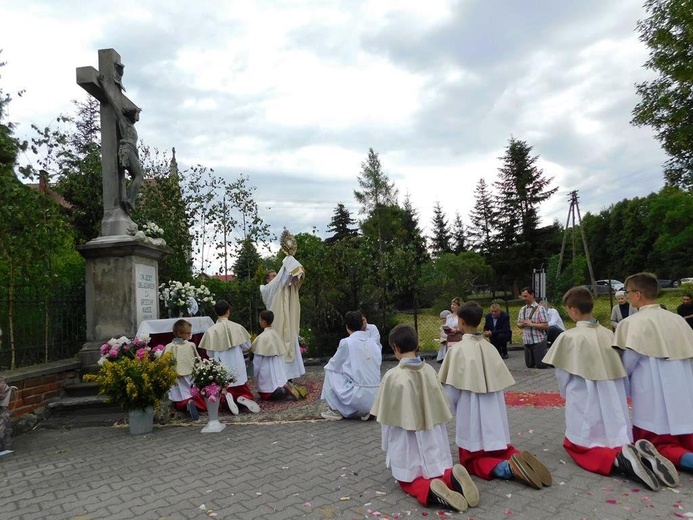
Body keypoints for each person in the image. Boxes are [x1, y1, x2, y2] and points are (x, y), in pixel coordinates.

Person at [543, 287, 674, 490]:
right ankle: (641, 457)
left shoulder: (568, 337)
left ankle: (620, 461)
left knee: (580, 444)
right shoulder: (609, 334)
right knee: (614, 433)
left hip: (583, 393)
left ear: (572, 310)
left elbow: (562, 373)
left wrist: (565, 391)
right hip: (613, 392)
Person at [439, 301, 551, 490]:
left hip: (471, 408)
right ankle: (517, 458)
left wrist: (445, 410)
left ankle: (507, 469)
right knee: (499, 447)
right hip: (493, 408)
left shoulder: (457, 349)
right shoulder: (489, 348)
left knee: (472, 460)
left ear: (461, 321)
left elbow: (451, 388)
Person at [370, 324, 479, 512]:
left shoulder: (392, 376)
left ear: (395, 347)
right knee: (436, 469)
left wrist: (387, 445)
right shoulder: (430, 370)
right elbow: (440, 405)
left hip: (405, 436)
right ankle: (451, 477)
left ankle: (431, 491)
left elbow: (386, 417)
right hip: (432, 431)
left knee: (409, 479)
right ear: (417, 344)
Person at [615, 273, 693, 474]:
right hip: (683, 384)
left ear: (638, 294)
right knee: (687, 433)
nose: (628, 296)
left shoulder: (632, 323)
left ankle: (686, 461)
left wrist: (621, 384)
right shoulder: (677, 320)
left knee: (655, 443)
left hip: (652, 387)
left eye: (628, 292)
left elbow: (628, 362)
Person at [199, 300, 260, 415]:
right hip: (237, 360)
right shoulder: (237, 327)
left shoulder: (211, 331)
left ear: (215, 312)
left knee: (223, 385)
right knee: (240, 385)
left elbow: (209, 354)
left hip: (221, 363)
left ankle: (227, 398)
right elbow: (247, 346)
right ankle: (242, 398)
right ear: (228, 311)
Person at [260, 229, 306, 381]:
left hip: (287, 317)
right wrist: (287, 263)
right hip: (276, 321)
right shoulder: (267, 288)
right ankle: (279, 377)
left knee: (290, 340)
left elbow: (288, 279)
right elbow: (281, 279)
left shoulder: (281, 285)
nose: (276, 278)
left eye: (276, 276)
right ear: (267, 280)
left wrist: (290, 261)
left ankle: (290, 376)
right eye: (272, 277)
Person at [321, 311, 382, 420]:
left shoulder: (347, 342)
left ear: (347, 326)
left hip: (358, 395)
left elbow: (334, 364)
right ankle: (367, 409)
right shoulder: (374, 343)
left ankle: (336, 410)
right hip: (376, 395)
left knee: (329, 370)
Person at [98, 73, 144, 214]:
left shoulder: (131, 126)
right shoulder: (124, 122)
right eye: (137, 114)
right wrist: (104, 85)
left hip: (131, 151)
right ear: (132, 114)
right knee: (139, 176)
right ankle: (129, 200)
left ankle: (129, 199)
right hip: (127, 150)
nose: (138, 116)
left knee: (139, 176)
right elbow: (113, 103)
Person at [251, 310, 302, 401]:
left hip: (266, 370)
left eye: (260, 319)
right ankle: (283, 390)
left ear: (264, 321)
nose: (259, 321)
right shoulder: (276, 335)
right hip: (278, 371)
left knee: (266, 391)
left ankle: (276, 393)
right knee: (277, 382)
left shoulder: (261, 338)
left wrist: (255, 372)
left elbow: (257, 359)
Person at [163, 319, 207, 420]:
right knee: (191, 392)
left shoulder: (169, 346)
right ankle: (191, 403)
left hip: (175, 377)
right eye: (188, 333)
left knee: (177, 396)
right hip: (189, 375)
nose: (189, 335)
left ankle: (185, 405)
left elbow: (164, 361)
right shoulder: (190, 345)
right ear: (179, 333)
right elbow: (197, 360)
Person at [517, 287, 550, 369]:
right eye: (523, 296)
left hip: (538, 341)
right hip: (527, 342)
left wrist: (531, 324)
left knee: (541, 366)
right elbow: (518, 323)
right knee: (530, 365)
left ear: (532, 295)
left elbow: (545, 325)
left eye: (526, 296)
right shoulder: (522, 309)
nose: (524, 298)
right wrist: (521, 325)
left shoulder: (540, 309)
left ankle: (550, 358)